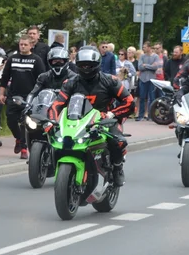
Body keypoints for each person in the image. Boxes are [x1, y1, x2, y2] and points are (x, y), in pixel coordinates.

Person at [48, 46, 133, 184]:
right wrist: (52, 121)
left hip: (105, 120)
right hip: (77, 120)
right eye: (83, 65)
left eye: (90, 65)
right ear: (77, 65)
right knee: (55, 137)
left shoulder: (110, 81)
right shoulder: (70, 82)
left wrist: (112, 114)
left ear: (97, 64)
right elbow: (57, 104)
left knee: (118, 141)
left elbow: (129, 102)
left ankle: (117, 167)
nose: (86, 68)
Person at [0, 37, 46, 159]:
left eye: (25, 44)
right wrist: (1, 94)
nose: (23, 46)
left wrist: (40, 96)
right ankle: (18, 139)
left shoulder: (36, 60)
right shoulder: (12, 59)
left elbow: (42, 79)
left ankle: (24, 148)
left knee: (26, 122)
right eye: (21, 44)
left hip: (29, 97)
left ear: (31, 46)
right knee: (11, 120)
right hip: (13, 95)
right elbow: (5, 78)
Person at [136, 42, 160, 122]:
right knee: (142, 97)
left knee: (152, 98)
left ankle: (151, 116)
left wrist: (145, 65)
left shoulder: (155, 56)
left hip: (152, 80)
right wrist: (150, 66)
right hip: (143, 79)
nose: (143, 48)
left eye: (145, 47)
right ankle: (140, 115)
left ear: (149, 47)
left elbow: (155, 67)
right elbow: (139, 67)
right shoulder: (142, 56)